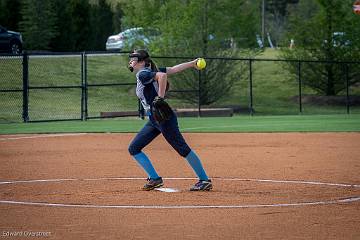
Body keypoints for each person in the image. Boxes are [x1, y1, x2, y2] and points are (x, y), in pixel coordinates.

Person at [127, 49, 212, 191]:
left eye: (134, 59)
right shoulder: (149, 70)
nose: (131, 61)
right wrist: (192, 63)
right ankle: (154, 179)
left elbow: (162, 76)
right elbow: (173, 69)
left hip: (163, 118)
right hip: (154, 118)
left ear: (142, 61)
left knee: (182, 149)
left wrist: (159, 97)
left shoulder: (143, 74)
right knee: (134, 148)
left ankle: (204, 180)